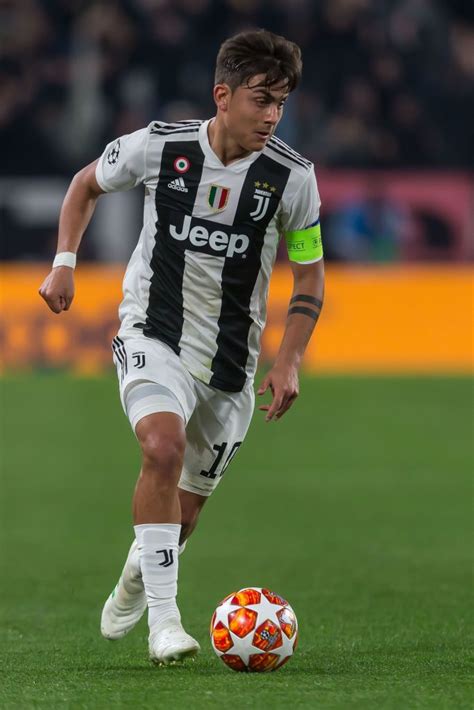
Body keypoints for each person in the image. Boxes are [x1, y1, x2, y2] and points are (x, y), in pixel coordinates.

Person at [39, 29, 325, 665]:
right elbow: (84, 184)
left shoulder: (292, 180)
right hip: (152, 332)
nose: (273, 115)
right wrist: (64, 262)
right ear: (222, 96)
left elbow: (309, 275)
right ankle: (166, 626)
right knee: (160, 447)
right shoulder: (160, 147)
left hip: (230, 365)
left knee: (184, 516)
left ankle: (137, 576)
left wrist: (289, 358)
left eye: (281, 102)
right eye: (261, 100)